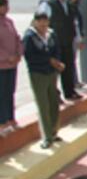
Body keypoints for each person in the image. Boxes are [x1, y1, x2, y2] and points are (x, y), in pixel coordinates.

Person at [22, 10, 65, 149]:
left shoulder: (51, 34)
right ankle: (46, 136)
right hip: (38, 73)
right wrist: (49, 60)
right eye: (40, 24)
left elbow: (57, 49)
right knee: (43, 105)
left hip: (51, 73)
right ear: (35, 22)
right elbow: (30, 56)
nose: (43, 27)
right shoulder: (29, 37)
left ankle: (53, 131)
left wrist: (57, 62)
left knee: (54, 102)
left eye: (45, 23)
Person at [42, 0, 81, 100]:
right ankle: (53, 95)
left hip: (68, 40)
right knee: (54, 70)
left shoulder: (69, 5)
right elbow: (41, 22)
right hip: (54, 42)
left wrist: (78, 37)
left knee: (68, 67)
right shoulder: (48, 4)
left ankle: (70, 92)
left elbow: (74, 23)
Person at [0, 0, 22, 133]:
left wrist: (18, 54)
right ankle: (1, 122)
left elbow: (17, 38)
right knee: (1, 93)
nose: (6, 8)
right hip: (2, 65)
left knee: (10, 92)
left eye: (7, 5)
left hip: (12, 65)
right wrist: (7, 57)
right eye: (3, 5)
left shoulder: (9, 21)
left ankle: (10, 118)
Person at [67, 0, 86, 90]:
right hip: (69, 37)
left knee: (73, 60)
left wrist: (80, 37)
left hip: (75, 36)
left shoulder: (75, 7)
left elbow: (78, 24)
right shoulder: (68, 7)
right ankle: (73, 82)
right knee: (70, 61)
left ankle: (75, 81)